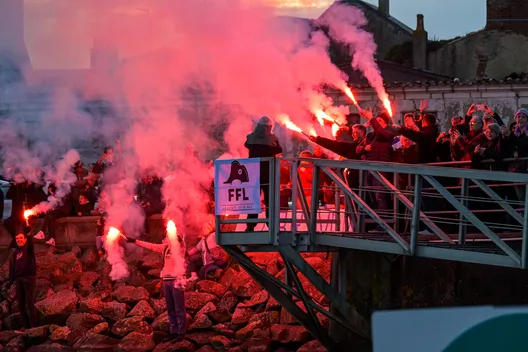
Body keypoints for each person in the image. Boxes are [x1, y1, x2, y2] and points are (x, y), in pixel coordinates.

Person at [125, 229, 187, 342]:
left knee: (179, 308)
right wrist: (134, 241)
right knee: (170, 308)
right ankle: (173, 331)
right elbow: (150, 246)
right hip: (166, 281)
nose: (167, 236)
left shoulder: (180, 247)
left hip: (177, 281)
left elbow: (181, 241)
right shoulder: (165, 247)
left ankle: (181, 333)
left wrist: (176, 235)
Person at [244, 116, 282, 232]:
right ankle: (271, 225)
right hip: (268, 173)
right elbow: (279, 150)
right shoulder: (273, 138)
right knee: (269, 200)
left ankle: (250, 227)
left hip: (253, 173)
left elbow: (246, 145)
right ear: (270, 127)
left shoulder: (250, 137)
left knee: (253, 200)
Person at [8, 226, 38, 332]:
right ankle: (26, 326)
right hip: (19, 280)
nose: (19, 240)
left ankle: (34, 327)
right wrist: (10, 281)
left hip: (29, 279)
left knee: (29, 304)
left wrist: (28, 232)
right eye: (17, 239)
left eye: (21, 238)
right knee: (20, 305)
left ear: (24, 239)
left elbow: (31, 241)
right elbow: (14, 269)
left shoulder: (29, 248)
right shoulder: (16, 252)